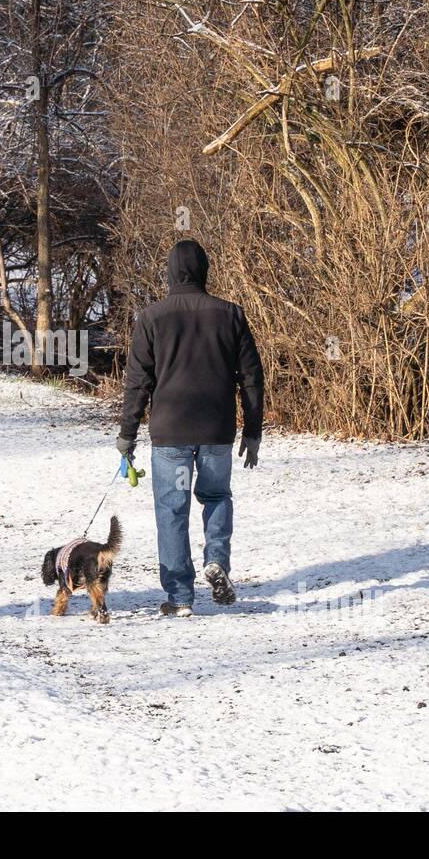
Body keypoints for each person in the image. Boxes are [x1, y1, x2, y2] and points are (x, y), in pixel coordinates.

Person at [117, 239, 265, 617]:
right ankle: (216, 560)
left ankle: (180, 597)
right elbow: (251, 377)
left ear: (169, 272)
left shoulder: (151, 318)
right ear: (205, 270)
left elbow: (138, 382)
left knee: (172, 510)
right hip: (216, 429)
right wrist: (252, 430)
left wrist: (127, 432)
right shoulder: (230, 314)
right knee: (216, 497)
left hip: (170, 433)